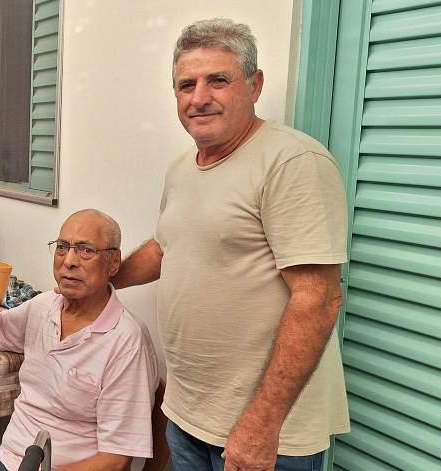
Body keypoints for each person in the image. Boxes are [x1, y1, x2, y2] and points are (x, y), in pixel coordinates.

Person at [112, 19, 349, 470]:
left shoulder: (292, 161)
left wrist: (261, 425)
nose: (199, 97)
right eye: (186, 85)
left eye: (217, 80)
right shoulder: (183, 167)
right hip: (188, 415)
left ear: (254, 85)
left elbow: (318, 299)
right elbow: (166, 247)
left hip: (263, 433)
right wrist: (101, 277)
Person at [0, 209, 157, 471]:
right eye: (62, 247)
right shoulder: (44, 306)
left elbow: (115, 460)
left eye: (85, 250)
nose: (69, 261)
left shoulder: (126, 340)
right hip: (5, 456)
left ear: (114, 263)